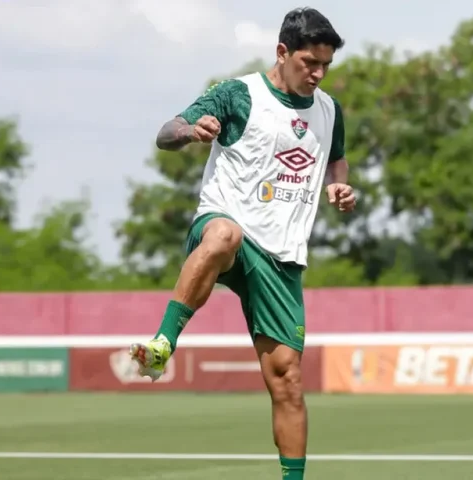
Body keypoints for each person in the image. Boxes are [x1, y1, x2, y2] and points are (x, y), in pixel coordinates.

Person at [128, 7, 352, 480]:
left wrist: (338, 184)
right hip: (224, 223)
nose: (318, 73)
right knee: (226, 235)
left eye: (326, 65)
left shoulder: (329, 110)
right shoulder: (238, 94)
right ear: (282, 52)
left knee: (288, 381)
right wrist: (191, 131)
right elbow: (166, 133)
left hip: (282, 256)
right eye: (310, 62)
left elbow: (336, 158)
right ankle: (164, 342)